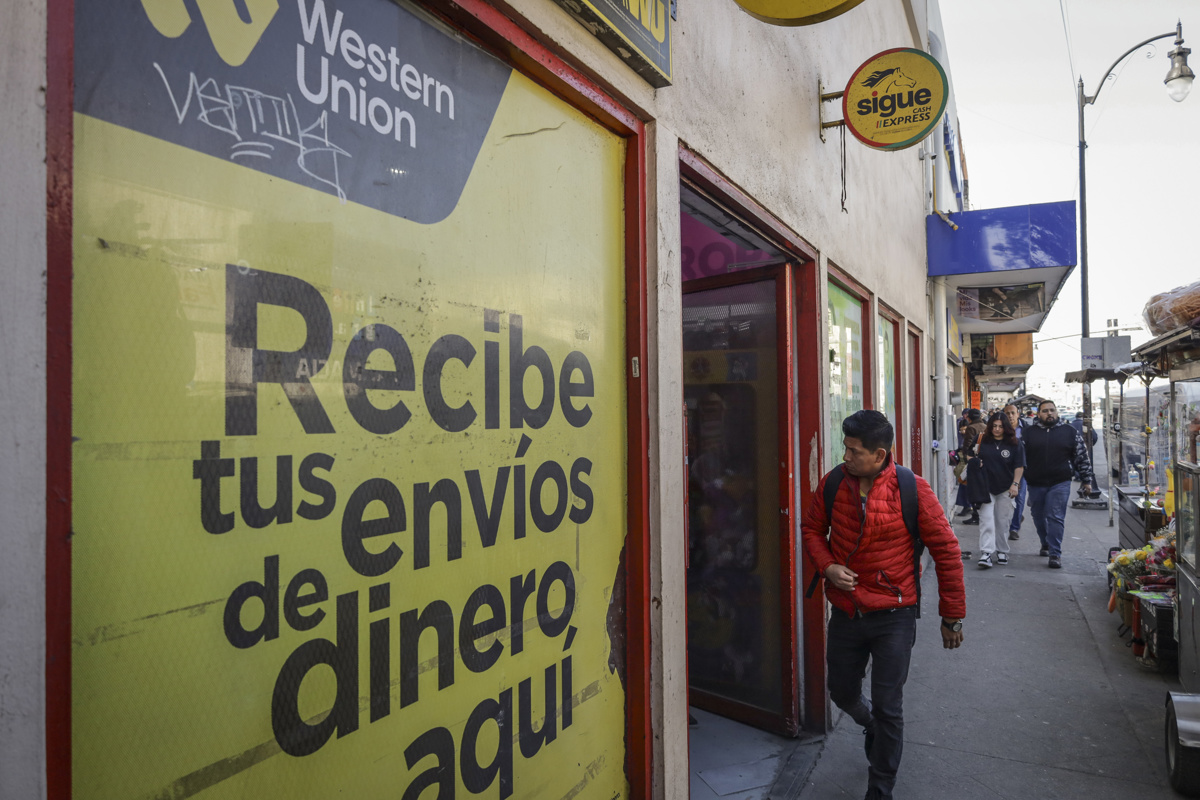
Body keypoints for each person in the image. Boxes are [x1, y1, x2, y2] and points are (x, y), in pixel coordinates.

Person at [802, 410, 966, 800]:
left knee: (890, 706)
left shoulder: (912, 489)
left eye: (854, 451)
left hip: (895, 615)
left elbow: (946, 550)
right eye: (845, 448)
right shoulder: (834, 483)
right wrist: (828, 567)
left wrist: (952, 617)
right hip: (846, 611)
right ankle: (869, 724)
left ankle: (880, 788)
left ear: (879, 454)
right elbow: (811, 529)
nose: (846, 457)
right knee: (842, 692)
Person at [1023, 400, 1094, 569]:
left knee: (1055, 516)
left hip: (1060, 482)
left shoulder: (1069, 432)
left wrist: (1086, 480)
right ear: (1038, 414)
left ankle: (1055, 553)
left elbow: (1081, 456)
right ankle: (1045, 542)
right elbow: (1020, 458)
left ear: (1057, 412)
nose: (1049, 413)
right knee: (1038, 515)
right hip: (1035, 482)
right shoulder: (1028, 433)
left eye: (1052, 410)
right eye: (1045, 411)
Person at [973, 412, 1025, 568]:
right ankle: (986, 552)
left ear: (1006, 427)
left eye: (1000, 426)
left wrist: (1015, 484)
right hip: (985, 487)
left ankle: (1002, 550)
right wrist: (976, 463)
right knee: (986, 520)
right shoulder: (981, 440)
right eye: (994, 426)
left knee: (1002, 522)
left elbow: (1019, 465)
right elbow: (969, 455)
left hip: (1006, 488)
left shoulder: (1015, 443)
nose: (997, 429)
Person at [958, 409, 987, 525]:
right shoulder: (985, 426)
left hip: (973, 462)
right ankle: (978, 513)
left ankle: (975, 515)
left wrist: (965, 458)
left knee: (972, 488)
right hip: (984, 461)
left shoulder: (971, 428)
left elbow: (968, 445)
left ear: (969, 418)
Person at [1003, 404, 1028, 540]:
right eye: (1007, 413)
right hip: (1003, 470)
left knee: (1019, 498)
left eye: (1013, 413)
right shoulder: (999, 430)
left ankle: (1014, 528)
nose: (1010, 416)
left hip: (1021, 470)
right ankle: (1006, 524)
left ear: (1018, 414)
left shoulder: (1027, 430)